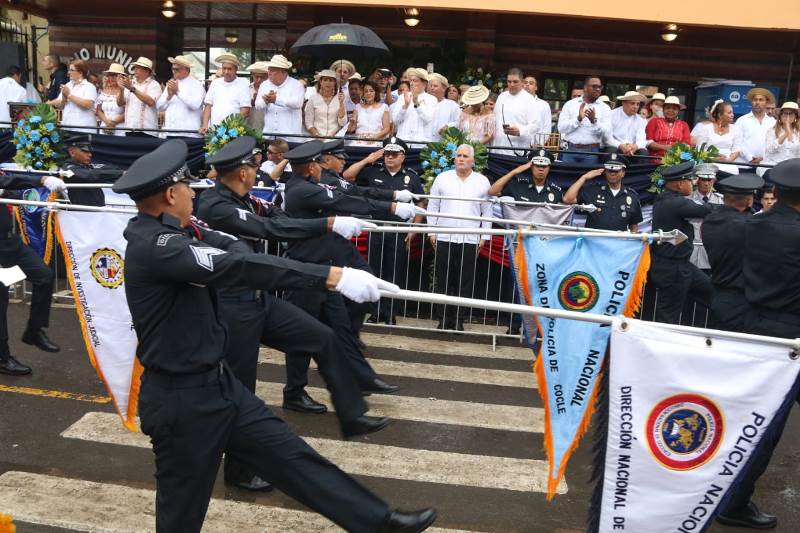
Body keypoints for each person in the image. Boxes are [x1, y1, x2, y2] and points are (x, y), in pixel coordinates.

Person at [111, 138, 436, 533]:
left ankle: (379, 523)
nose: (193, 193)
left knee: (295, 459)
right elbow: (236, 266)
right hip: (183, 403)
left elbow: (236, 246)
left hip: (219, 386)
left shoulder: (182, 228)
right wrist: (331, 276)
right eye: (186, 187)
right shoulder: (158, 245)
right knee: (180, 516)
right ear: (170, 195)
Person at [197, 137, 392, 488]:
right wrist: (327, 224)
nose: (259, 170)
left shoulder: (246, 199)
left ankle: (352, 414)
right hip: (230, 305)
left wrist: (333, 220)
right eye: (254, 166)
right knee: (242, 393)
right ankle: (239, 472)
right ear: (243, 172)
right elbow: (268, 229)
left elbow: (279, 218)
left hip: (257, 298)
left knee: (322, 337)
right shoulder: (216, 205)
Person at [283, 140, 417, 394]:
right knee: (301, 336)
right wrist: (392, 206)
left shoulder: (310, 185)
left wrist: (392, 200)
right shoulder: (302, 190)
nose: (320, 167)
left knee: (343, 330)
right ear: (311, 167)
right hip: (307, 271)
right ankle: (295, 392)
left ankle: (360, 378)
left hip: (326, 267)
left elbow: (350, 195)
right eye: (317, 163)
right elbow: (347, 201)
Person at [717, 158, 800, 531]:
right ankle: (733, 502)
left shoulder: (751, 225)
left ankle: (731, 497)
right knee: (766, 427)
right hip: (791, 332)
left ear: (775, 191)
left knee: (756, 420)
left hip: (756, 325)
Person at [342, 137, 424, 324]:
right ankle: (376, 312)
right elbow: (347, 176)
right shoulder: (373, 171)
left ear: (403, 157)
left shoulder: (411, 176)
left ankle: (390, 313)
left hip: (398, 231)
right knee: (374, 270)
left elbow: (420, 203)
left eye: (394, 154)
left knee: (394, 271)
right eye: (387, 154)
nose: (390, 157)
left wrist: (414, 229)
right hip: (377, 229)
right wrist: (367, 160)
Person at [0, 170, 66, 375]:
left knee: (44, 276)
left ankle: (34, 331)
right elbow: (10, 180)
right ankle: (2, 358)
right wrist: (42, 180)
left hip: (10, 242)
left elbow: (10, 184)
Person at [426, 144, 492, 331]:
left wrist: (484, 236)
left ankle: (459, 320)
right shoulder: (442, 178)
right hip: (444, 236)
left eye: (465, 156)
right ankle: (442, 319)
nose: (461, 159)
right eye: (459, 155)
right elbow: (433, 206)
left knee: (465, 281)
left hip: (470, 238)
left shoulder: (482, 181)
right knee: (443, 279)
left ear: (473, 160)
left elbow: (487, 211)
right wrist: (432, 231)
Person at [647, 161, 714, 325]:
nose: (693, 184)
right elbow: (707, 210)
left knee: (713, 294)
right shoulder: (676, 203)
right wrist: (732, 205)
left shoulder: (665, 199)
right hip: (672, 269)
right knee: (667, 316)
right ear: (680, 184)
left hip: (681, 265)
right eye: (690, 180)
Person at [701, 172, 763, 332]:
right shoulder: (749, 226)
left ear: (724, 198)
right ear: (749, 200)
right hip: (742, 301)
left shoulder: (710, 221)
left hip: (719, 293)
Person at [563, 153, 642, 231]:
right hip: (594, 238)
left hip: (618, 239)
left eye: (616, 171)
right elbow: (567, 199)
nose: (612, 173)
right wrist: (584, 177)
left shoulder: (632, 196)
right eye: (609, 170)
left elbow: (634, 226)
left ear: (623, 173)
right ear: (605, 172)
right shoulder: (593, 190)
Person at [557, 76, 611, 164]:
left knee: (589, 173)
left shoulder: (605, 108)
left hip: (591, 152)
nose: (598, 89)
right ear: (585, 88)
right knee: (567, 173)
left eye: (599, 87)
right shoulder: (570, 104)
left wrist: (594, 121)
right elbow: (561, 128)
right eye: (594, 86)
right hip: (570, 150)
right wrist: (578, 119)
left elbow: (607, 134)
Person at [61, 134, 125, 206]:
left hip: (96, 210)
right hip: (81, 211)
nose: (90, 155)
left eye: (90, 152)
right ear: (72, 152)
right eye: (85, 151)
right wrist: (119, 173)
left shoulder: (86, 166)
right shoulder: (67, 170)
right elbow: (89, 175)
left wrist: (123, 172)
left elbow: (107, 168)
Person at [254, 54, 305, 139]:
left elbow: (298, 103)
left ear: (283, 72)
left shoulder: (297, 85)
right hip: (269, 135)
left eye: (272, 70)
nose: (269, 72)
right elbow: (257, 106)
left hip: (290, 137)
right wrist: (265, 101)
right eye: (269, 69)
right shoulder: (264, 85)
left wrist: (276, 100)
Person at [201, 53, 251, 134]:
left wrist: (230, 127)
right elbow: (208, 106)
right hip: (214, 130)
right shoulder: (215, 83)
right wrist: (205, 125)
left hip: (233, 132)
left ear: (236, 69)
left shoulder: (243, 84)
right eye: (224, 68)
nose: (226, 72)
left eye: (229, 69)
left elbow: (245, 111)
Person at [157, 55, 205, 138]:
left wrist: (177, 92)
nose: (174, 71)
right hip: (170, 132)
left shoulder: (196, 85)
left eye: (177, 69)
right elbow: (159, 107)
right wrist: (169, 97)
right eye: (173, 69)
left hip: (188, 133)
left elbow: (195, 105)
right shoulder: (171, 84)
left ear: (186, 69)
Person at [494, 68, 540, 155]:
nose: (512, 84)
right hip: (496, 149)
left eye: (515, 82)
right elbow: (494, 120)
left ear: (522, 82)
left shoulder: (529, 99)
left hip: (516, 151)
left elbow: (535, 125)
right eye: (509, 81)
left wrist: (520, 131)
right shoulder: (501, 96)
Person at [688, 163, 723, 271]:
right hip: (691, 251)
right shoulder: (687, 200)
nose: (707, 183)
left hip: (712, 252)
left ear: (714, 181)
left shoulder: (721, 200)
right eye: (703, 179)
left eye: (709, 180)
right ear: (697, 180)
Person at [47, 59, 97, 133]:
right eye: (69, 70)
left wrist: (69, 95)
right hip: (67, 126)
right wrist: (50, 103)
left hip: (84, 129)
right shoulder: (68, 85)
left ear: (80, 73)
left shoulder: (89, 87)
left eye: (71, 70)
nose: (68, 72)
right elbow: (61, 106)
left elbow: (87, 104)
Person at [391, 68, 436, 147]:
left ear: (424, 83)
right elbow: (395, 121)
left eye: (415, 81)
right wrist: (405, 106)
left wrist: (416, 103)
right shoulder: (402, 97)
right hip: (402, 142)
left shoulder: (431, 99)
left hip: (420, 143)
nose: (411, 83)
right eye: (410, 81)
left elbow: (428, 119)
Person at [116, 57, 161, 135]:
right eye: (135, 67)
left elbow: (151, 102)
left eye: (138, 68)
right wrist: (121, 90)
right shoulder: (130, 83)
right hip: (129, 129)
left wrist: (132, 89)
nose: (135, 70)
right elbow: (120, 103)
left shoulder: (154, 85)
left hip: (147, 131)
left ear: (147, 71)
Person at [693, 99, 742, 167]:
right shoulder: (705, 128)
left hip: (729, 165)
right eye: (729, 113)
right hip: (708, 164)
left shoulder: (735, 129)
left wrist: (728, 160)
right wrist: (713, 158)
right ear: (720, 115)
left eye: (732, 113)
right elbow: (699, 149)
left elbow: (736, 150)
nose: (732, 115)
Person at [734, 87, 776, 165]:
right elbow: (737, 143)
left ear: (766, 102)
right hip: (743, 164)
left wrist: (763, 158)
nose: (757, 102)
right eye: (755, 100)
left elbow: (774, 144)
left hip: (764, 165)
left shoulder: (773, 122)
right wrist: (750, 157)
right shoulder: (742, 120)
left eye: (761, 100)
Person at [760, 101, 800, 177]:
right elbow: (769, 151)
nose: (788, 116)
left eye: (791, 114)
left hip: (793, 168)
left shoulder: (798, 132)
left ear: (795, 117)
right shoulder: (771, 131)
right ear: (780, 116)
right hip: (773, 166)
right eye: (785, 113)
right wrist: (786, 134)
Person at [645, 95, 691, 160]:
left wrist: (675, 149)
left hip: (677, 159)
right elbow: (648, 142)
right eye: (668, 108)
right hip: (655, 158)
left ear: (678, 111)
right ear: (663, 109)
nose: (670, 110)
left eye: (674, 109)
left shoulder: (684, 125)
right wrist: (665, 147)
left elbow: (687, 145)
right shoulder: (654, 122)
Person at [304, 69, 347, 138]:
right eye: (325, 80)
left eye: (331, 80)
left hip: (335, 138)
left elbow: (342, 123)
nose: (328, 83)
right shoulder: (313, 99)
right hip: (316, 139)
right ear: (320, 82)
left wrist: (341, 103)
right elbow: (308, 123)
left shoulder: (340, 98)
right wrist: (318, 136)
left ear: (334, 83)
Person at [605, 91, 648, 156]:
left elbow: (642, 139)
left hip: (632, 149)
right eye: (632, 103)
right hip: (616, 147)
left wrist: (635, 147)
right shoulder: (611, 115)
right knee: (611, 150)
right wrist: (620, 145)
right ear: (623, 103)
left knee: (643, 153)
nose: (635, 107)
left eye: (637, 104)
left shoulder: (640, 120)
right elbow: (607, 137)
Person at [349, 80, 391, 146]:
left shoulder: (384, 107)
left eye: (371, 91)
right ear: (363, 94)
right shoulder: (357, 107)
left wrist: (375, 136)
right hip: (359, 141)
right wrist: (351, 124)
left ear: (376, 93)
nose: (368, 93)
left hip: (376, 141)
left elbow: (387, 128)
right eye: (366, 91)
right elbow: (351, 129)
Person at [428, 73, 460, 142]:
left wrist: (448, 126)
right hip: (423, 143)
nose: (432, 88)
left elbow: (459, 121)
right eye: (431, 86)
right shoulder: (424, 103)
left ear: (444, 88)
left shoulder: (452, 105)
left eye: (435, 86)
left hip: (442, 143)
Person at [95, 63, 126, 136]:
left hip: (120, 128)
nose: (110, 78)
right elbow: (98, 110)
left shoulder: (126, 91)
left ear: (121, 78)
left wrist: (113, 122)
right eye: (109, 75)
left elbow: (128, 111)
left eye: (114, 76)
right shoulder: (104, 90)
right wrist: (106, 121)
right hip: (104, 127)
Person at [245, 61, 269, 134]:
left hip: (267, 130)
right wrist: (252, 102)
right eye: (256, 77)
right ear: (252, 75)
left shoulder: (271, 90)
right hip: (248, 128)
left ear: (267, 76)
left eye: (262, 77)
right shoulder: (246, 89)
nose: (259, 80)